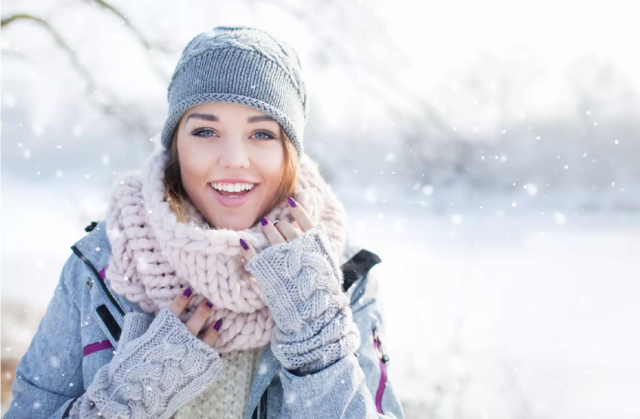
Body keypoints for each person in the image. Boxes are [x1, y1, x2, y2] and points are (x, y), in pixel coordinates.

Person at [4, 26, 405, 419]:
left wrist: (318, 344)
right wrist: (130, 398)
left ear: (290, 153)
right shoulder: (101, 267)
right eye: (206, 130)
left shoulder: (344, 278)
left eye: (262, 134)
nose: (233, 158)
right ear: (177, 143)